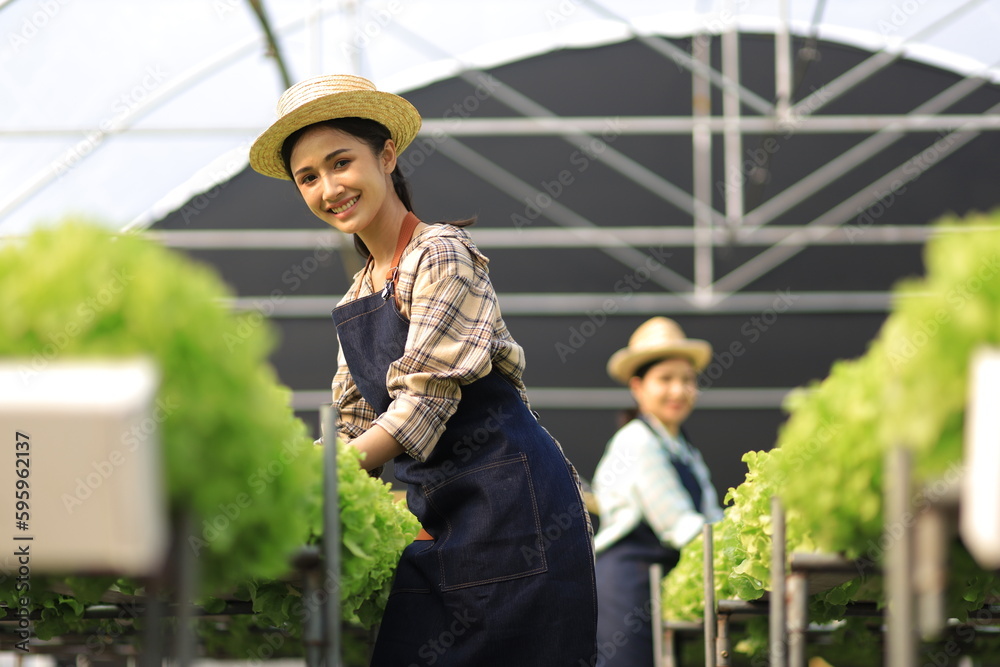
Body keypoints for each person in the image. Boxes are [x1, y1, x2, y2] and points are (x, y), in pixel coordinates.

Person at [248, 74, 597, 666]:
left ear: (386, 155)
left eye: (341, 162)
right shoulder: (357, 295)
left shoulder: (441, 253)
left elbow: (423, 404)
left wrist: (311, 479)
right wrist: (296, 475)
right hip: (446, 519)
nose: (329, 188)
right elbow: (355, 429)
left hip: (513, 508)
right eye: (308, 177)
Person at [591, 317, 724, 667]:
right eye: (665, 379)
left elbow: (712, 516)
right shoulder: (636, 441)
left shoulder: (686, 451)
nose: (678, 391)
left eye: (687, 380)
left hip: (660, 585)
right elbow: (679, 524)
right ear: (638, 387)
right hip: (627, 585)